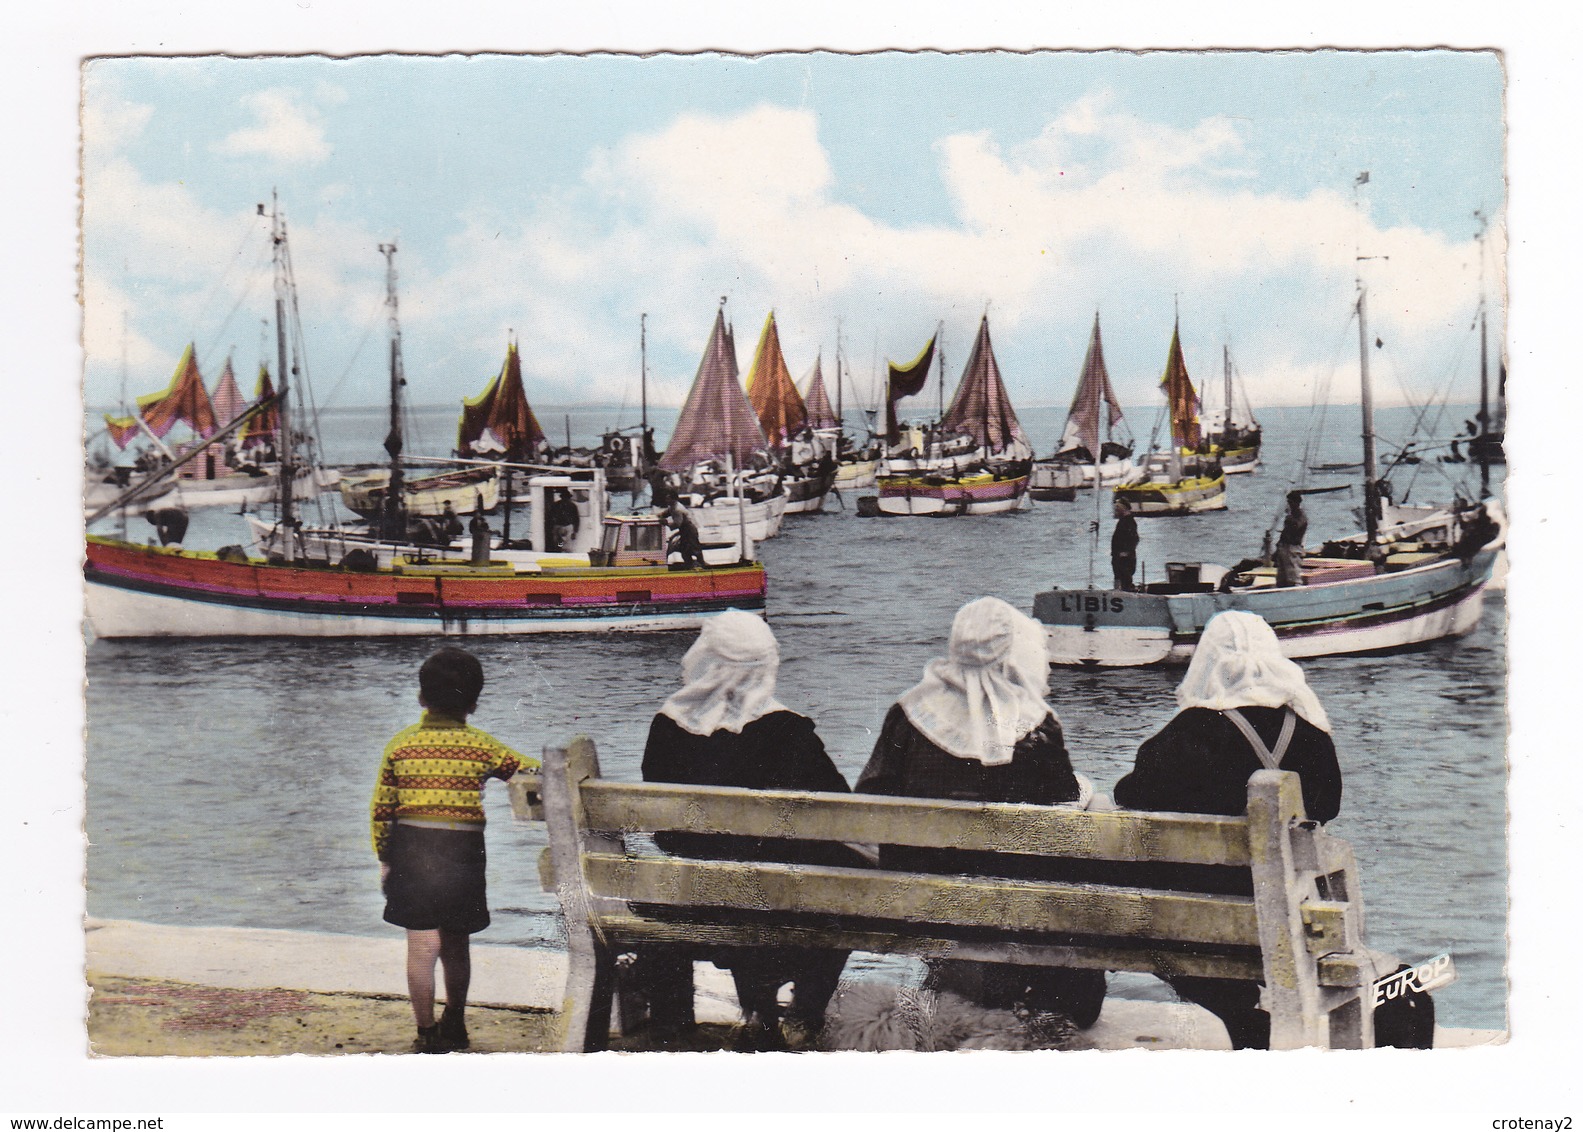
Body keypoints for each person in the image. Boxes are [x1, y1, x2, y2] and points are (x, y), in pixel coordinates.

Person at [855, 596, 1108, 1029]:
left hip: (925, 900)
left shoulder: (909, 713)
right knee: (1094, 807)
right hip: (1016, 902)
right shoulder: (1035, 723)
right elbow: (1063, 815)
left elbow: (870, 803)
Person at [1112, 610, 1340, 1049]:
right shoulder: (1313, 734)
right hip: (1286, 916)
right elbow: (1328, 808)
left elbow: (1131, 795)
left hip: (1194, 921)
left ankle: (1236, 1008)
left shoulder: (1187, 732)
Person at [638, 611, 866, 1050]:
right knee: (841, 881)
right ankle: (802, 1013)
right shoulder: (789, 731)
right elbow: (842, 811)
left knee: (735, 868)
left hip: (697, 898)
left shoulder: (667, 726)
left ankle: (752, 1013)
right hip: (779, 902)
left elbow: (664, 828)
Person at [370, 647, 533, 1053]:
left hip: (413, 850)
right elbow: (531, 772)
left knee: (421, 945)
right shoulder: (482, 747)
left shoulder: (400, 745)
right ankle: (455, 1020)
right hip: (462, 852)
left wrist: (385, 858)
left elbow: (381, 810)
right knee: (457, 943)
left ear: (421, 698)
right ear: (474, 702)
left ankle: (425, 1032)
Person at [1275, 491, 1308, 587]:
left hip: (1293, 549)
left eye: (1291, 502)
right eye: (1288, 502)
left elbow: (1295, 527)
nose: (1289, 505)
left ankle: (1296, 593)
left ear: (1297, 503)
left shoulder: (1300, 516)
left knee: (1293, 577)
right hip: (1284, 547)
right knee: (1281, 577)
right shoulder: (1291, 516)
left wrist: (1289, 516)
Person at [663, 499, 706, 569]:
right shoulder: (672, 507)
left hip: (689, 530)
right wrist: (660, 516)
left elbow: (678, 524)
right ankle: (689, 565)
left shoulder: (677, 509)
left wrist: (667, 524)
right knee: (684, 549)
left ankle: (701, 564)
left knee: (694, 548)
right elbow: (667, 513)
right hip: (684, 529)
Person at [1110, 498, 1139, 591]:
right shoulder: (1123, 521)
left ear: (1124, 508)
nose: (1115, 509)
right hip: (1118, 556)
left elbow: (1134, 539)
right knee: (1118, 577)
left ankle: (1123, 593)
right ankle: (1117, 592)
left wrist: (1126, 551)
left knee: (1125, 579)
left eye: (1117, 507)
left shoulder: (1129, 522)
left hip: (1125, 557)